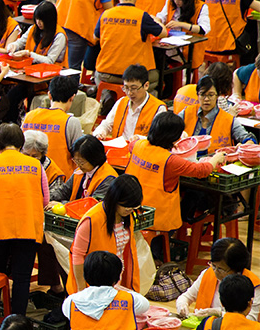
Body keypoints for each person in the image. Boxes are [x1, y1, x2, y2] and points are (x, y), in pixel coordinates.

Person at [0, 124, 48, 316]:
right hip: (27, 229)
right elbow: (45, 200)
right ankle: (18, 321)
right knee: (22, 278)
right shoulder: (36, 166)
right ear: (20, 144)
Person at [129, 111, 225, 239]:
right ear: (174, 137)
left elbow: (132, 145)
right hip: (157, 218)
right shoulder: (170, 160)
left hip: (132, 211)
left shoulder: (137, 145)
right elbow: (201, 171)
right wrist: (216, 158)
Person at [67, 173, 143, 295]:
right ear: (114, 199)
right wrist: (81, 290)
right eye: (125, 206)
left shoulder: (127, 217)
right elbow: (77, 255)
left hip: (115, 280)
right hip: (93, 286)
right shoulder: (91, 220)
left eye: (133, 207)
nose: (129, 209)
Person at [90, 0, 167, 83]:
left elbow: (95, 37)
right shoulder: (141, 16)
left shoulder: (106, 14)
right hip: (134, 78)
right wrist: (157, 20)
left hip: (105, 74)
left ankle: (108, 92)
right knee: (156, 77)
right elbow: (163, 33)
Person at [177, 238, 260, 322]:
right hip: (205, 327)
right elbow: (186, 297)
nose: (216, 272)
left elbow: (251, 319)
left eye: (221, 269)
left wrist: (220, 314)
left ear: (236, 269)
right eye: (213, 265)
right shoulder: (208, 273)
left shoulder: (253, 285)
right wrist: (182, 305)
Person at [56, 0, 114, 69]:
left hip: (59, 23)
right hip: (78, 28)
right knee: (73, 68)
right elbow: (110, 12)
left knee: (59, 63)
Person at [179, 71, 254, 152]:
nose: (206, 99)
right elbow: (170, 130)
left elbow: (249, 139)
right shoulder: (186, 112)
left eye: (211, 95)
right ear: (198, 95)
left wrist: (245, 145)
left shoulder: (228, 119)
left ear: (218, 96)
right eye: (202, 94)